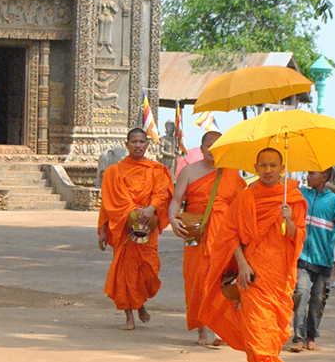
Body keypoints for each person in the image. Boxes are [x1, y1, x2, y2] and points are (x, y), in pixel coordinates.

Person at [201, 148, 307, 362]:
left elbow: (299, 236)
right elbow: (230, 235)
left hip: (280, 274)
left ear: (282, 168)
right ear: (255, 168)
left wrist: (289, 220)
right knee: (255, 325)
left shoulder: (292, 198)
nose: (268, 171)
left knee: (277, 326)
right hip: (253, 272)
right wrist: (243, 265)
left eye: (273, 165)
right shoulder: (246, 198)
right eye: (263, 165)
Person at [167, 130, 247, 347]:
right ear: (201, 149)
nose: (213, 150)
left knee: (221, 281)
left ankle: (222, 328)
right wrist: (173, 220)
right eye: (208, 146)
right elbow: (176, 200)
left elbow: (242, 207)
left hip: (224, 237)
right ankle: (202, 331)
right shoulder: (189, 172)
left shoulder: (232, 174)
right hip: (197, 234)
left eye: (218, 146)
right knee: (197, 282)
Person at [98, 128, 173, 331]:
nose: (138, 145)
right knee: (125, 272)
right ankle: (129, 316)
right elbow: (109, 203)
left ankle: (139, 303)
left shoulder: (156, 170)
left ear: (147, 144)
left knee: (148, 269)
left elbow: (162, 193)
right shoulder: (114, 172)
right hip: (124, 228)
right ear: (127, 144)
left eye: (142, 141)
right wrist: (104, 229)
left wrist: (151, 208)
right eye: (134, 142)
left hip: (148, 228)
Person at [290, 169, 335, 352]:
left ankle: (311, 336)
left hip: (323, 258)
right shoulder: (301, 194)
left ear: (323, 177)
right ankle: (298, 337)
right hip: (302, 257)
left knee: (317, 299)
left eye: (312, 173)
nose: (308, 176)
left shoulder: (333, 200)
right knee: (301, 293)